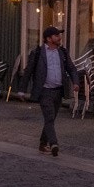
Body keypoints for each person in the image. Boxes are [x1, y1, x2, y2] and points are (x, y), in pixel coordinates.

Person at [22, 26, 78, 156]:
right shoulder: (38, 53)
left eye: (59, 35)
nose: (59, 38)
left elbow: (71, 68)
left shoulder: (62, 52)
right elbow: (28, 71)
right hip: (44, 91)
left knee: (51, 119)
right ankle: (54, 144)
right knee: (49, 117)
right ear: (48, 38)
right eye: (56, 35)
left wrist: (75, 82)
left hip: (58, 91)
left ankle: (42, 144)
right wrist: (22, 90)